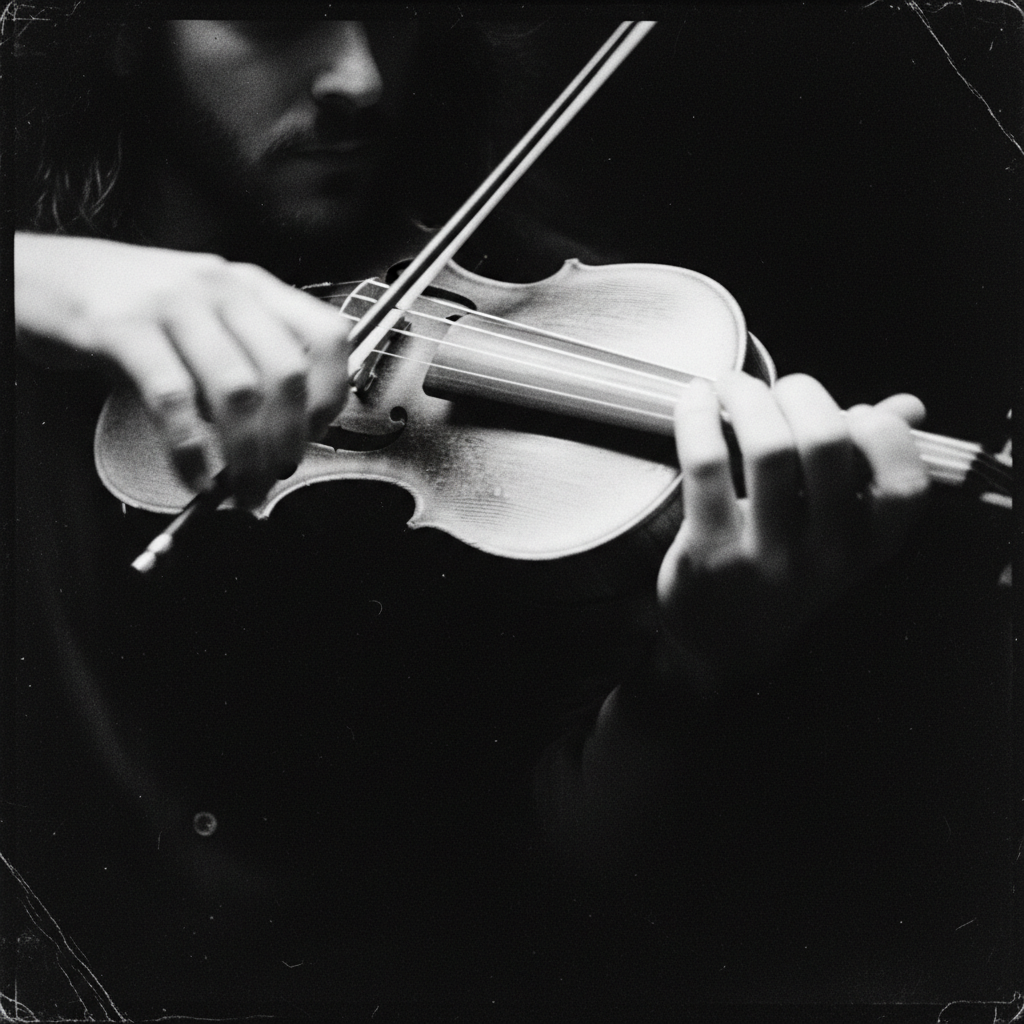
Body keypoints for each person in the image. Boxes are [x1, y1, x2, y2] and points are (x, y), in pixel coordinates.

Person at [8, 10, 1015, 1017]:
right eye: (279, 16)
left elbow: (533, 894)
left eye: (393, 16)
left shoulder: (508, 290)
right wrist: (50, 279)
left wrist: (693, 669)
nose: (359, 77)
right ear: (118, 31)